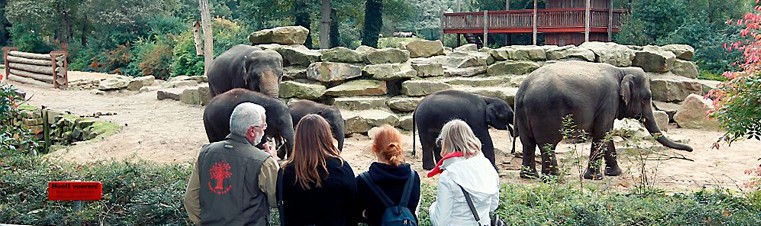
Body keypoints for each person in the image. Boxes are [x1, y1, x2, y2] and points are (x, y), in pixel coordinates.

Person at [183, 103, 279, 226]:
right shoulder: (264, 161)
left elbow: (190, 199)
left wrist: (203, 222)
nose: (264, 130)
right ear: (252, 131)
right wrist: (273, 162)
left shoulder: (205, 153)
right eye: (263, 126)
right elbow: (276, 199)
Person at [279, 114, 357, 226]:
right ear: (327, 136)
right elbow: (353, 206)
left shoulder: (286, 172)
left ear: (298, 138)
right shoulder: (341, 168)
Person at [428, 119, 500, 226]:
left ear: (446, 143)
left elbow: (440, 222)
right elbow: (493, 205)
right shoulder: (487, 165)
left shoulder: (448, 177)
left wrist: (433, 208)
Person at [354, 124, 421, 225]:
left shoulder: (363, 181)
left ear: (374, 148)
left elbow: (356, 213)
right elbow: (413, 208)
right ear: (399, 147)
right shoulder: (413, 176)